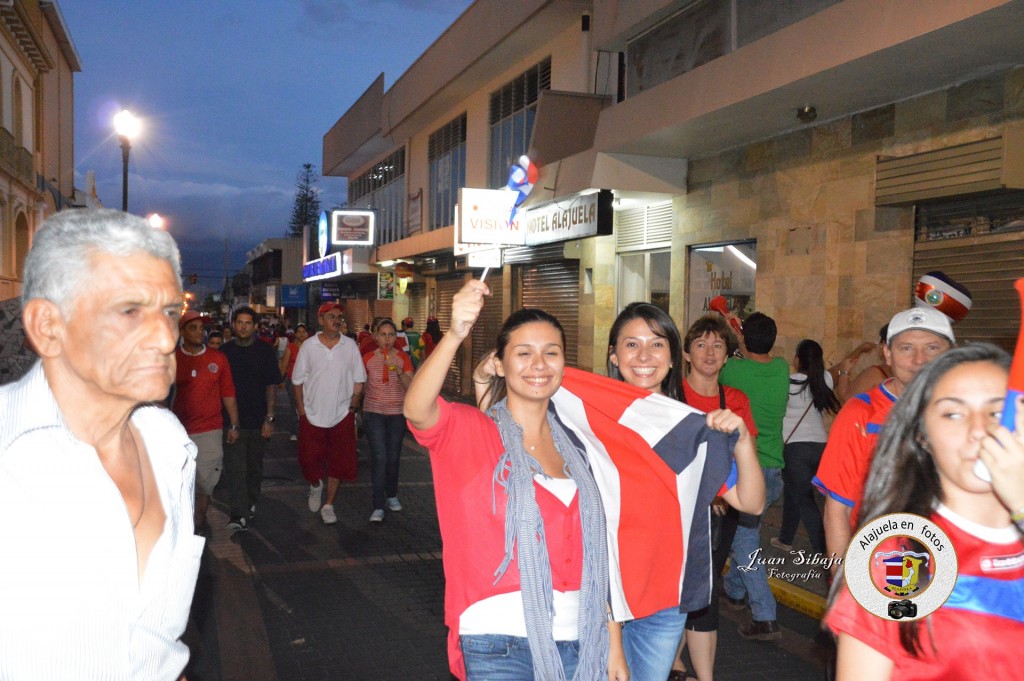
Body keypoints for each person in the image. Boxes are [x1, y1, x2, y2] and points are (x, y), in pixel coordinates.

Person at [0, 209, 203, 679]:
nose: (165, 338)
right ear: (47, 325)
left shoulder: (170, 444)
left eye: (170, 312)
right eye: (129, 311)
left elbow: (154, 636)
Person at [405, 279, 628, 681]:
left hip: (580, 639)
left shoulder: (580, 447)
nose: (539, 364)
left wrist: (614, 643)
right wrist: (455, 333)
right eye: (523, 353)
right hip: (496, 640)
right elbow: (418, 410)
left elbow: (601, 551)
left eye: (551, 353)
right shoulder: (473, 431)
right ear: (499, 364)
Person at [825, 343, 1024, 680]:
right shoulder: (898, 558)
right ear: (922, 436)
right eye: (953, 414)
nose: (979, 430)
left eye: (996, 412)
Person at [605, 305, 764, 681]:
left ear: (673, 356)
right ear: (613, 355)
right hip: (603, 594)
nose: (645, 356)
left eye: (657, 344)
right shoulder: (592, 418)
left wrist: (742, 441)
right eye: (632, 344)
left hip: (662, 596)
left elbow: (752, 502)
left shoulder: (687, 427)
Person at [814, 307, 954, 574]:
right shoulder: (860, 414)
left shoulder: (970, 413)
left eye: (932, 347)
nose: (919, 359)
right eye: (906, 348)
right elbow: (837, 510)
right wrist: (844, 583)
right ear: (887, 354)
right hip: (882, 569)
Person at [669, 314, 763, 681]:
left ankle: (679, 664)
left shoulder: (736, 400)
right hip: (676, 513)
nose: (709, 352)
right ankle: (678, 664)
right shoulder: (671, 397)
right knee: (684, 589)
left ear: (726, 357)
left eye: (718, 346)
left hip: (723, 511)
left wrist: (721, 493)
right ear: (686, 354)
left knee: (703, 588)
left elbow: (746, 457)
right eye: (701, 345)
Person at [717, 311, 790, 639]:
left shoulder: (733, 370)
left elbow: (720, 371)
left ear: (744, 338)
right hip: (774, 469)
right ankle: (734, 592)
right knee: (744, 536)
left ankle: (765, 615)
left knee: (744, 542)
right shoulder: (782, 368)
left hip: (747, 470)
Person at [293, 302, 366, 525]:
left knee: (339, 462)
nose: (337, 320)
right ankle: (315, 485)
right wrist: (302, 410)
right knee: (308, 459)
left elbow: (359, 379)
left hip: (341, 414)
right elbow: (297, 381)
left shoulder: (350, 345)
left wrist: (352, 407)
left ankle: (329, 505)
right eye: (331, 316)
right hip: (312, 414)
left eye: (339, 317)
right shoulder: (309, 346)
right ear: (321, 320)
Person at [172, 309, 240, 532]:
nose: (199, 332)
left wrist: (234, 424)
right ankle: (184, 524)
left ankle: (197, 525)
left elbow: (228, 393)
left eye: (202, 328)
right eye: (193, 328)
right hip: (178, 432)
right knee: (181, 483)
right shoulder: (171, 360)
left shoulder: (218, 359)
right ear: (182, 332)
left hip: (210, 430)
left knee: (205, 483)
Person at [772, 339, 839, 554]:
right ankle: (785, 538)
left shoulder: (787, 383)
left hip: (795, 449)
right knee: (794, 493)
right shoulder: (825, 379)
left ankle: (823, 550)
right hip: (820, 447)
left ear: (797, 359)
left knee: (804, 499)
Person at [220, 305, 283, 531]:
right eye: (240, 322)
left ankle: (251, 501)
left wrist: (269, 418)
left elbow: (271, 386)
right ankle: (238, 513)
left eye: (248, 323)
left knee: (254, 468)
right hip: (232, 421)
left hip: (258, 420)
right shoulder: (224, 352)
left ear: (255, 326)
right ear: (233, 325)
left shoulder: (264, 351)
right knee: (235, 468)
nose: (243, 327)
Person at [362, 318, 414, 522]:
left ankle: (391, 494)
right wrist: (354, 408)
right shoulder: (367, 358)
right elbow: (360, 385)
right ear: (375, 336)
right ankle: (378, 505)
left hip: (396, 415)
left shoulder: (403, 358)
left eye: (391, 335)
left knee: (393, 457)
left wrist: (399, 372)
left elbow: (412, 387)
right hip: (374, 413)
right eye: (383, 334)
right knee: (380, 457)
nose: (387, 339)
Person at [280, 323, 309, 442]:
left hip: (309, 383)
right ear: (295, 334)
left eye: (304, 332)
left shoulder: (311, 347)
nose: (301, 334)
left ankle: (307, 430)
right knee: (295, 406)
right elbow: (284, 364)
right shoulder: (291, 347)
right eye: (299, 332)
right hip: (293, 382)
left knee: (308, 406)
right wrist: (280, 379)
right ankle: (295, 431)